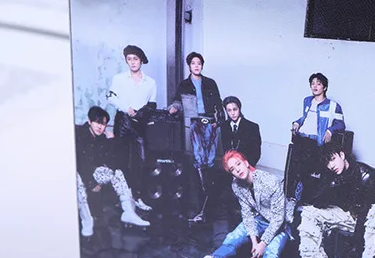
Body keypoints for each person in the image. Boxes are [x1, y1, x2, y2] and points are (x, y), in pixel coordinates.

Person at [178, 150, 291, 258]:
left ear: (246, 163)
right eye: (232, 169)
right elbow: (247, 214)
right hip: (259, 219)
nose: (237, 170)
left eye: (238, 164)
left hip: (280, 224)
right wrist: (254, 242)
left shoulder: (270, 181)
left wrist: (263, 243)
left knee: (271, 251)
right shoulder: (236, 185)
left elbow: (278, 218)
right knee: (233, 237)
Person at [297, 141, 375, 258]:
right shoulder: (330, 174)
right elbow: (316, 202)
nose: (331, 165)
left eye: (332, 159)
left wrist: (356, 247)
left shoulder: (368, 175)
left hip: (366, 220)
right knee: (309, 212)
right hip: (346, 216)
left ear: (342, 155)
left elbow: (368, 210)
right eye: (327, 163)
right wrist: (331, 185)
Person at [75, 106, 150, 238]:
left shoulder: (102, 138)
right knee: (78, 182)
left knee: (118, 173)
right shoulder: (80, 135)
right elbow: (81, 164)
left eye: (104, 124)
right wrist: (91, 183)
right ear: (89, 121)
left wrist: (112, 141)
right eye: (97, 122)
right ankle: (87, 221)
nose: (100, 127)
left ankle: (129, 212)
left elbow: (113, 163)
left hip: (93, 172)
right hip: (77, 172)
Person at [168, 52, 224, 223]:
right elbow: (177, 102)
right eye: (193, 63)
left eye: (199, 63)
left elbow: (219, 104)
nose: (196, 66)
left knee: (210, 162)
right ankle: (197, 203)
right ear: (189, 66)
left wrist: (218, 121)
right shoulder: (184, 85)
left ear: (202, 65)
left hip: (210, 122)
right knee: (197, 161)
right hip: (193, 123)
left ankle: (210, 203)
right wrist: (173, 108)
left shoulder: (210, 83)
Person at [107, 44, 157, 198]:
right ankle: (121, 198)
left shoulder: (150, 82)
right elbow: (111, 97)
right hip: (122, 121)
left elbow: (152, 103)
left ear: (141, 60)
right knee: (120, 158)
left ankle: (137, 196)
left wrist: (141, 113)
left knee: (140, 160)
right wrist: (127, 108)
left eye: (135, 59)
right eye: (129, 59)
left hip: (140, 124)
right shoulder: (119, 78)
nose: (133, 62)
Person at [287, 72, 345, 200]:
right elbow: (305, 117)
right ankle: (290, 194)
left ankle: (300, 196)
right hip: (301, 137)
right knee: (293, 167)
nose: (315, 86)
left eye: (318, 84)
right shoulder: (307, 100)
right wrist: (297, 123)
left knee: (305, 168)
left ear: (325, 87)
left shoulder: (332, 106)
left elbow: (341, 124)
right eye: (312, 83)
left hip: (315, 142)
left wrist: (330, 130)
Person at [220, 96, 262, 167]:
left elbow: (256, 152)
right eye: (229, 110)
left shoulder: (252, 127)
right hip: (231, 167)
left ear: (239, 109)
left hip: (247, 166)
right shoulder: (224, 126)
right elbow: (225, 150)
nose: (232, 113)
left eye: (235, 109)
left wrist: (246, 167)